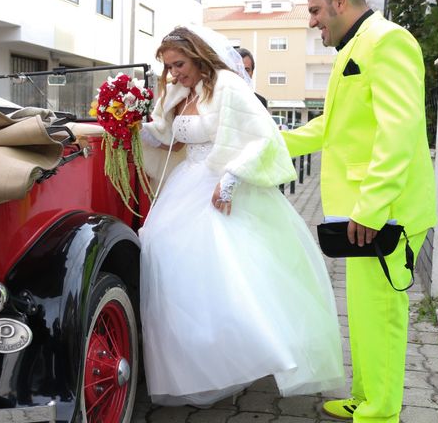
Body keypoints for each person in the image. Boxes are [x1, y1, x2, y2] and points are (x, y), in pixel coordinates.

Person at [138, 24, 345, 408]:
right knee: (163, 252)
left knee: (226, 270)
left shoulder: (228, 87)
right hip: (185, 185)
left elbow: (262, 137)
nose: (174, 74)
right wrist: (135, 127)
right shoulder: (180, 91)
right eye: (168, 67)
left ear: (198, 55)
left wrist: (231, 178)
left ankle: (255, 348)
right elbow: (170, 135)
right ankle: (194, 361)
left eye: (179, 64)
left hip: (218, 184)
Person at [281, 0, 437, 422]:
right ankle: (365, 396)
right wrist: (270, 142)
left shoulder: (388, 42)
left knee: (383, 315)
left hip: (386, 216)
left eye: (314, 10)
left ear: (339, 2)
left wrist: (370, 209)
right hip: (363, 215)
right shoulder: (357, 46)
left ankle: (381, 412)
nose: (312, 21)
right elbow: (329, 126)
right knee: (366, 315)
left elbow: (399, 133)